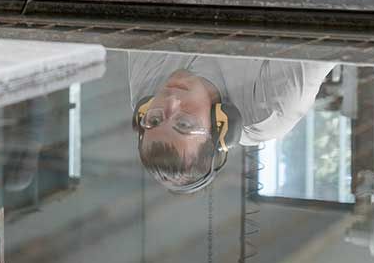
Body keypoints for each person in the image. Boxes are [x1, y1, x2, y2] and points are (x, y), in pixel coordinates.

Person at [129, 51, 335, 192]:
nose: (171, 102)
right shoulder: (268, 108)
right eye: (184, 124)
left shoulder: (147, 87)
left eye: (154, 119)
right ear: (220, 127)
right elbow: (330, 11)